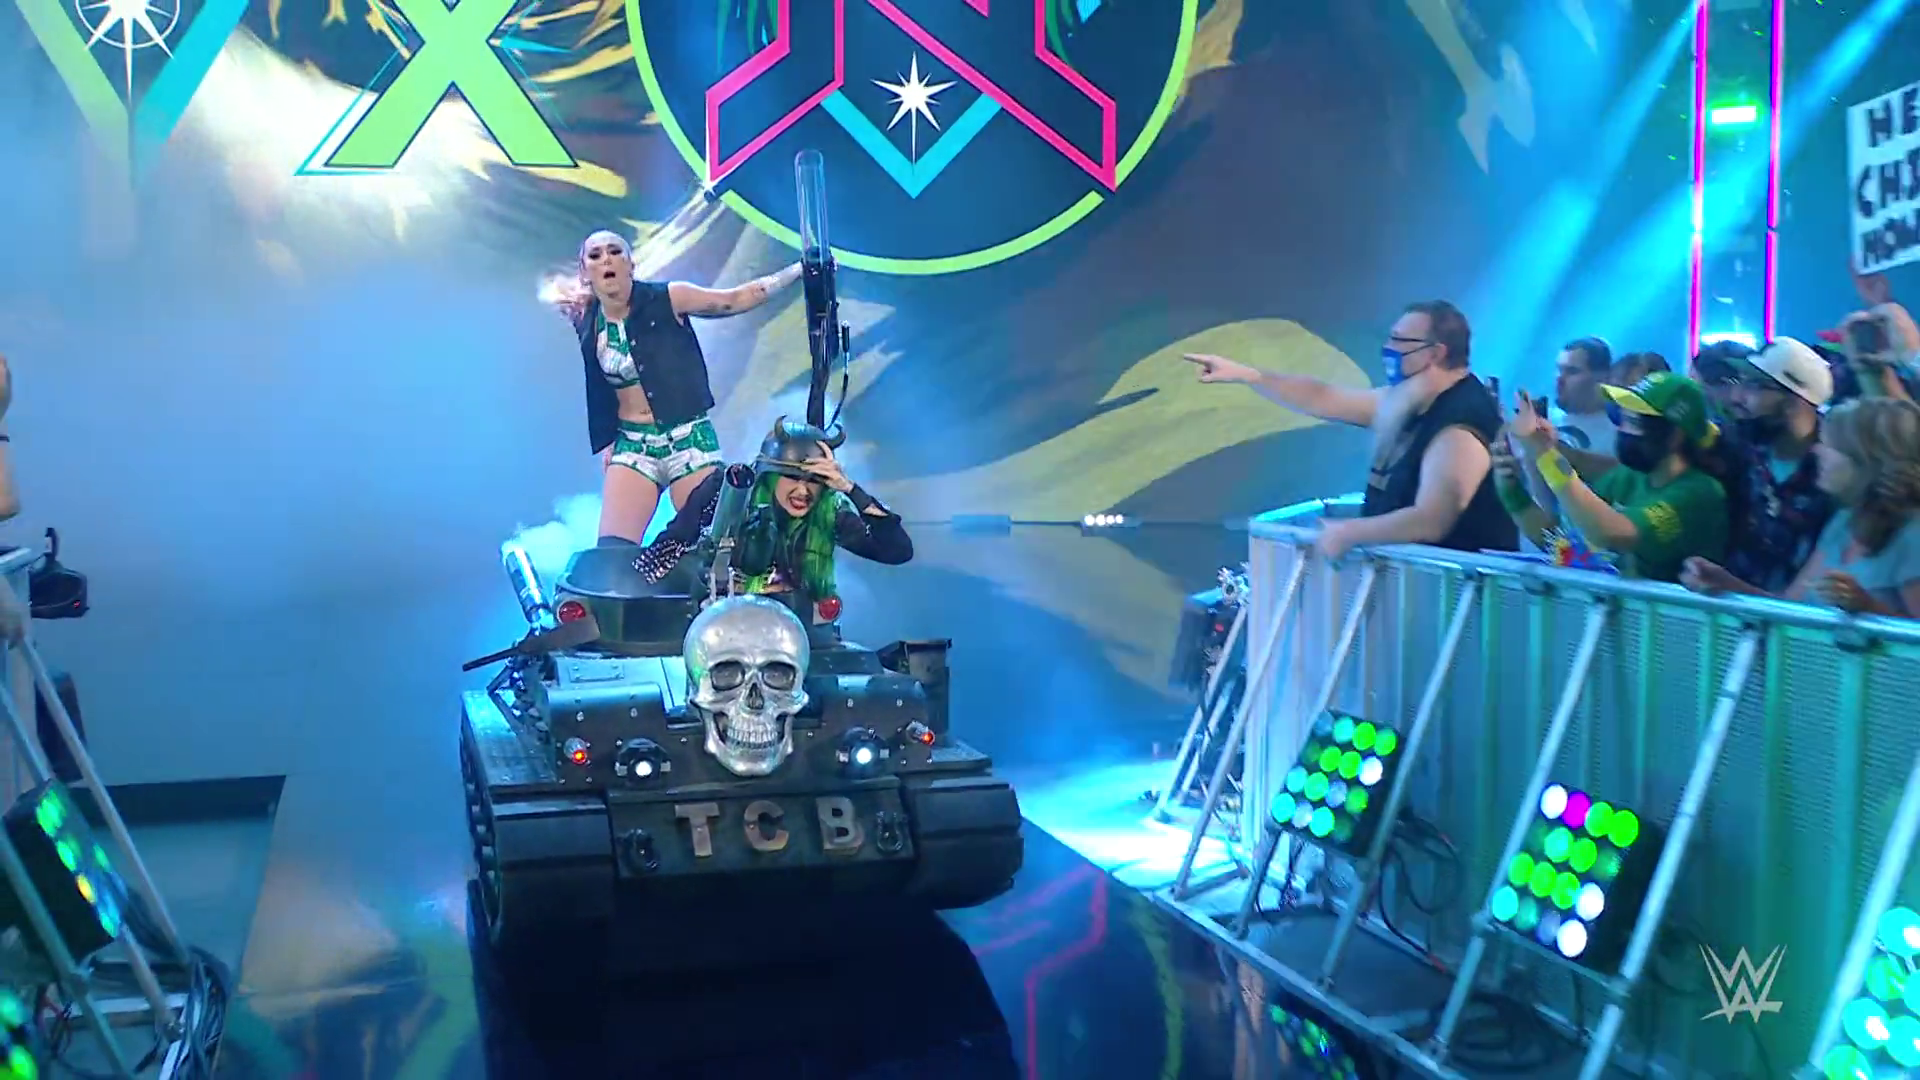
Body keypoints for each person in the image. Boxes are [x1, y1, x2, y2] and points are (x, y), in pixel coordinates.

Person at [1184, 300, 1517, 558]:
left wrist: (1349, 533)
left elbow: (1431, 519)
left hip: (1458, 606)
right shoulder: (1413, 399)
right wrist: (1249, 375)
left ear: (1435, 353)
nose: (1388, 348)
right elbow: (1323, 398)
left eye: (1400, 341)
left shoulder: (1459, 429)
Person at [544, 229, 804, 544]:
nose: (606, 260)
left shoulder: (670, 297)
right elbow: (600, 385)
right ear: (586, 272)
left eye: (615, 251)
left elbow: (733, 300)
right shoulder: (586, 318)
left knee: (714, 544)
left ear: (631, 264)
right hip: (633, 448)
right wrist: (609, 439)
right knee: (611, 554)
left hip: (688, 441)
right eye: (595, 256)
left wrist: (798, 271)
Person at [632, 419, 913, 622]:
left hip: (794, 635)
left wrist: (851, 489)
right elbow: (663, 553)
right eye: (792, 477)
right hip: (715, 625)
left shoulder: (828, 513)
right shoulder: (727, 490)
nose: (803, 491)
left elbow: (897, 551)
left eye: (814, 481)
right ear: (769, 475)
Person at [1682, 398, 1920, 618]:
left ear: (1867, 461)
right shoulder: (1843, 522)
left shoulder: (1913, 535)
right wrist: (1726, 584)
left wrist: (1868, 607)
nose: (1817, 451)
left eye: (1831, 446)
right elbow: (1789, 607)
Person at [1496, 373, 1728, 583]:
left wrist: (1545, 454)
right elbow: (1564, 547)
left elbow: (1612, 533)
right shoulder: (1629, 477)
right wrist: (1512, 491)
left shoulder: (1699, 493)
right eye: (1621, 419)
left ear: (1675, 436)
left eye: (1634, 422)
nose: (1621, 430)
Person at [1720, 337, 1836, 593]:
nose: (1737, 397)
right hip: (1733, 607)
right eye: (1741, 383)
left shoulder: (1835, 470)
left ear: (1794, 401)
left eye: (1755, 386)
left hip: (1801, 615)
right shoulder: (1740, 451)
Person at [1547, 337, 1615, 452]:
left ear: (1601, 378)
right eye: (1559, 369)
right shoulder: (1541, 421)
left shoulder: (1616, 436)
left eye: (1572, 371)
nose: (1559, 378)